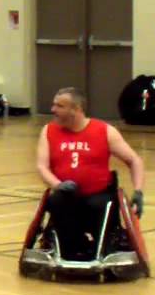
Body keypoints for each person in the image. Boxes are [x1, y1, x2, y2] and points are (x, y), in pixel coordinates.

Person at [36, 87, 145, 245]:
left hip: (99, 196)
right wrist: (58, 185)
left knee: (99, 205)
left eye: (60, 106)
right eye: (54, 105)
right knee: (57, 201)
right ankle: (72, 244)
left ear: (77, 109)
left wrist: (138, 191)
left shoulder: (104, 131)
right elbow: (42, 166)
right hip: (66, 196)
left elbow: (134, 160)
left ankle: (107, 241)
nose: (53, 110)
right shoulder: (48, 131)